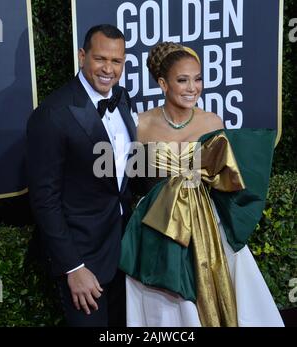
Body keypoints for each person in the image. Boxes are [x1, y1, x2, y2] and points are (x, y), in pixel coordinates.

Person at [119, 41, 284, 327]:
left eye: (197, 79)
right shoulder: (140, 124)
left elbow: (226, 177)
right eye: (182, 80)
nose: (192, 87)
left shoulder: (212, 122)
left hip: (207, 223)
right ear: (163, 83)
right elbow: (130, 180)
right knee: (170, 310)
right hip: (160, 226)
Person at [27, 24, 136, 327]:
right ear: (81, 56)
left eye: (117, 62)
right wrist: (72, 267)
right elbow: (44, 200)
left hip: (125, 253)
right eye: (101, 59)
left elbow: (127, 174)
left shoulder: (125, 99)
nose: (108, 69)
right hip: (83, 260)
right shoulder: (52, 115)